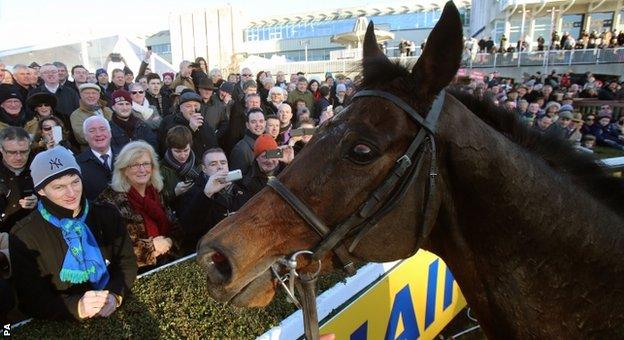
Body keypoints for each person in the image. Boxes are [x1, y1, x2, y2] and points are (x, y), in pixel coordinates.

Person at [9, 146, 137, 320]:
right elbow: (30, 299)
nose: (71, 193)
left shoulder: (106, 214)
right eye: (59, 187)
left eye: (75, 182)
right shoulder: (24, 236)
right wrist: (76, 307)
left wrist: (115, 295)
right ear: (40, 190)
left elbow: (127, 261)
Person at [97, 141, 176, 270]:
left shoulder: (157, 192)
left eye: (146, 163)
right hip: (134, 274)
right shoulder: (108, 202)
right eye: (134, 165)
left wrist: (170, 241)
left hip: (167, 264)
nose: (142, 169)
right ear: (124, 169)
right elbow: (111, 248)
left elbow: (174, 226)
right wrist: (152, 247)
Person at [177, 148, 249, 252]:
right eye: (213, 164)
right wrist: (207, 194)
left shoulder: (240, 188)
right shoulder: (192, 192)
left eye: (223, 163)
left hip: (239, 246)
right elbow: (188, 228)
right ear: (204, 169)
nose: (220, 167)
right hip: (211, 251)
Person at [158, 92, 218, 163]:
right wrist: (191, 129)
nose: (193, 109)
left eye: (196, 105)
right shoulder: (169, 122)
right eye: (188, 106)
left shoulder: (205, 123)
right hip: (180, 168)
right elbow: (167, 148)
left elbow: (214, 146)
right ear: (180, 108)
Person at [0, 127, 37, 232]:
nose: (19, 157)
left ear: (29, 149)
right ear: (1, 150)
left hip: (34, 232)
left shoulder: (39, 166)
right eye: (12, 152)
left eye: (24, 152)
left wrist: (39, 200)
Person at [75, 116, 118, 201]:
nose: (98, 134)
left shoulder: (126, 156)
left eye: (102, 129)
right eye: (92, 131)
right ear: (86, 137)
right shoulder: (77, 164)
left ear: (110, 133)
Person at [159, 126, 200, 209]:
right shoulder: (160, 169)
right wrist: (174, 193)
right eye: (177, 151)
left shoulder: (198, 163)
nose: (182, 156)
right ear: (170, 148)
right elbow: (157, 202)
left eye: (186, 150)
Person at [70, 84, 113, 148]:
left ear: (98, 95)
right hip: (91, 152)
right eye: (87, 93)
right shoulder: (76, 115)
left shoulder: (107, 110)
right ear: (81, 95)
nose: (91, 96)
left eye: (94, 93)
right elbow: (81, 137)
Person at [230, 108, 266, 176]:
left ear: (265, 123)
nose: (258, 125)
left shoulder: (269, 143)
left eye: (261, 121)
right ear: (247, 125)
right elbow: (236, 179)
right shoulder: (240, 149)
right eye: (253, 122)